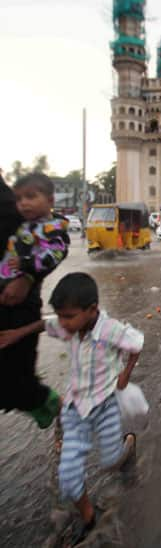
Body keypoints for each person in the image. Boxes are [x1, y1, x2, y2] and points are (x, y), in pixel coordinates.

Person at [0, 272, 144, 546]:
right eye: (61, 316)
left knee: (110, 460)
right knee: (68, 477)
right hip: (76, 409)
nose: (63, 324)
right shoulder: (69, 324)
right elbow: (46, 324)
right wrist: (17, 334)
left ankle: (127, 449)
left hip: (107, 406)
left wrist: (126, 372)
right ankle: (91, 518)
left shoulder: (111, 330)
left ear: (92, 310)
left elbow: (137, 344)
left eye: (68, 316)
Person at [0, 172, 69, 428]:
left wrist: (27, 272)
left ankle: (60, 411)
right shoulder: (23, 224)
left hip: (18, 304)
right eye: (20, 199)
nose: (24, 204)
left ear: (50, 200)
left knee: (18, 379)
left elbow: (55, 251)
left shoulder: (49, 227)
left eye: (31, 197)